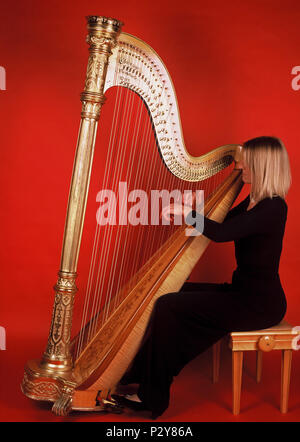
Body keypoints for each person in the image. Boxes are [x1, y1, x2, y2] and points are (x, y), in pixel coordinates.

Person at [114, 136, 291, 419]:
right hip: (240, 291)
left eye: (245, 161)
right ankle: (139, 371)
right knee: (172, 289)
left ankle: (153, 394)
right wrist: (195, 214)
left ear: (261, 164)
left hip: (259, 304)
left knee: (170, 306)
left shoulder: (273, 207)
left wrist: (188, 214)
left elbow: (219, 234)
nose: (239, 165)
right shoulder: (253, 201)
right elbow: (220, 222)